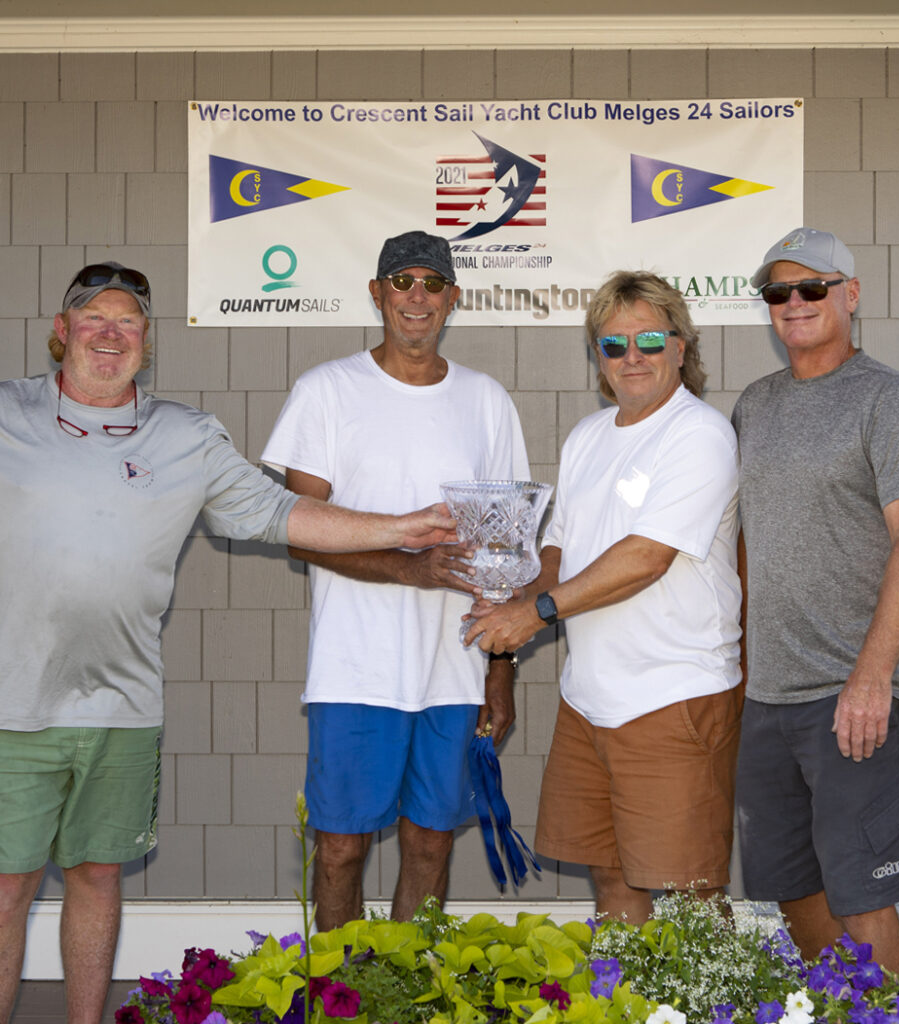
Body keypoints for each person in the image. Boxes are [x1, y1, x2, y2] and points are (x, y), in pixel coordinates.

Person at [0, 262, 457, 1024]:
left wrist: (400, 527)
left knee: (97, 874)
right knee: (8, 886)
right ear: (61, 331)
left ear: (146, 341)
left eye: (128, 323)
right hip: (12, 703)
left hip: (122, 705)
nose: (109, 335)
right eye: (93, 320)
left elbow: (281, 514)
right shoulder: (7, 414)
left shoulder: (186, 436)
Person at [262, 230, 529, 929]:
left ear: (453, 300)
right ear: (377, 293)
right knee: (342, 848)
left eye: (432, 284)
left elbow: (503, 549)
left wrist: (500, 671)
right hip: (356, 669)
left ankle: (407, 994)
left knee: (430, 843)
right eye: (403, 281)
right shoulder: (326, 391)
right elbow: (301, 528)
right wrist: (410, 569)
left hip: (456, 668)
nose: (418, 297)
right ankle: (344, 998)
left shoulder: (487, 400)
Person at [465, 270, 743, 922]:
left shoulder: (699, 435)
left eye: (648, 338)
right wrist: (511, 603)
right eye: (612, 344)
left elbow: (645, 558)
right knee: (613, 881)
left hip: (673, 696)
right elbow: (560, 551)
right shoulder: (587, 438)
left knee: (691, 893)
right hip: (588, 699)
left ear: (681, 346)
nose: (632, 356)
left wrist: (531, 615)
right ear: (598, 357)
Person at [732, 227, 899, 972]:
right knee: (791, 890)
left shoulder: (889, 399)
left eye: (812, 288)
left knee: (863, 894)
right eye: (778, 292)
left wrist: (873, 675)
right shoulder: (754, 405)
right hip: (768, 695)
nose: (794, 303)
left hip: (856, 695)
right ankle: (837, 1010)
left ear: (849, 295)